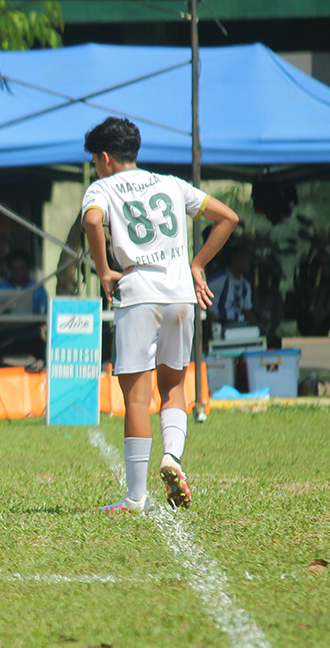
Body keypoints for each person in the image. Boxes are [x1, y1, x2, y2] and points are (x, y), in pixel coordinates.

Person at [81, 116, 238, 513]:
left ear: (104, 157)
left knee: (136, 396)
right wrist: (198, 265)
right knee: (173, 385)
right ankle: (173, 456)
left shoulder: (102, 187)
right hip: (181, 296)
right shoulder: (170, 183)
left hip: (138, 293)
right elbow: (228, 218)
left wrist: (103, 270)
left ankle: (135, 496)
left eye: (94, 161)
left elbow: (92, 220)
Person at [0, 249, 48, 364]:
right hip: (5, 339)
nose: (18, 273)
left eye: (21, 269)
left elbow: (43, 314)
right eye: (15, 269)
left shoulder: (38, 288)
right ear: (9, 269)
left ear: (27, 269)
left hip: (31, 340)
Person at [206, 242, 256, 328]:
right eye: (243, 258)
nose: (248, 262)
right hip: (220, 324)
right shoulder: (221, 279)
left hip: (238, 324)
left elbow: (247, 310)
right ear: (234, 260)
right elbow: (201, 290)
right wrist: (208, 313)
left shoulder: (245, 286)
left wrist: (257, 325)